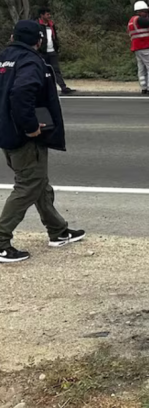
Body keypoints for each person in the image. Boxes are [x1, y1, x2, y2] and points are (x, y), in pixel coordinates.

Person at [0, 20, 85, 263]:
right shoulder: (30, 61)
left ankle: (57, 230)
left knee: (39, 183)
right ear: (38, 40)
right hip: (24, 135)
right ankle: (1, 239)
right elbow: (21, 93)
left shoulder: (4, 58)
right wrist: (31, 127)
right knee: (28, 185)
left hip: (6, 131)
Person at [37, 7, 75, 95]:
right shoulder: (37, 25)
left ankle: (63, 87)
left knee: (56, 70)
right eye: (47, 14)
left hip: (52, 51)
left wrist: (56, 46)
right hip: (42, 52)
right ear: (42, 15)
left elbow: (54, 37)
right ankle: (42, 88)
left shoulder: (51, 25)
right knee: (42, 70)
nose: (49, 16)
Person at [128, 1, 149, 95]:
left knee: (141, 68)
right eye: (145, 11)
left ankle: (144, 87)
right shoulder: (139, 20)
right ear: (139, 11)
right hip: (144, 47)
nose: (146, 14)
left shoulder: (131, 20)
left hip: (137, 48)